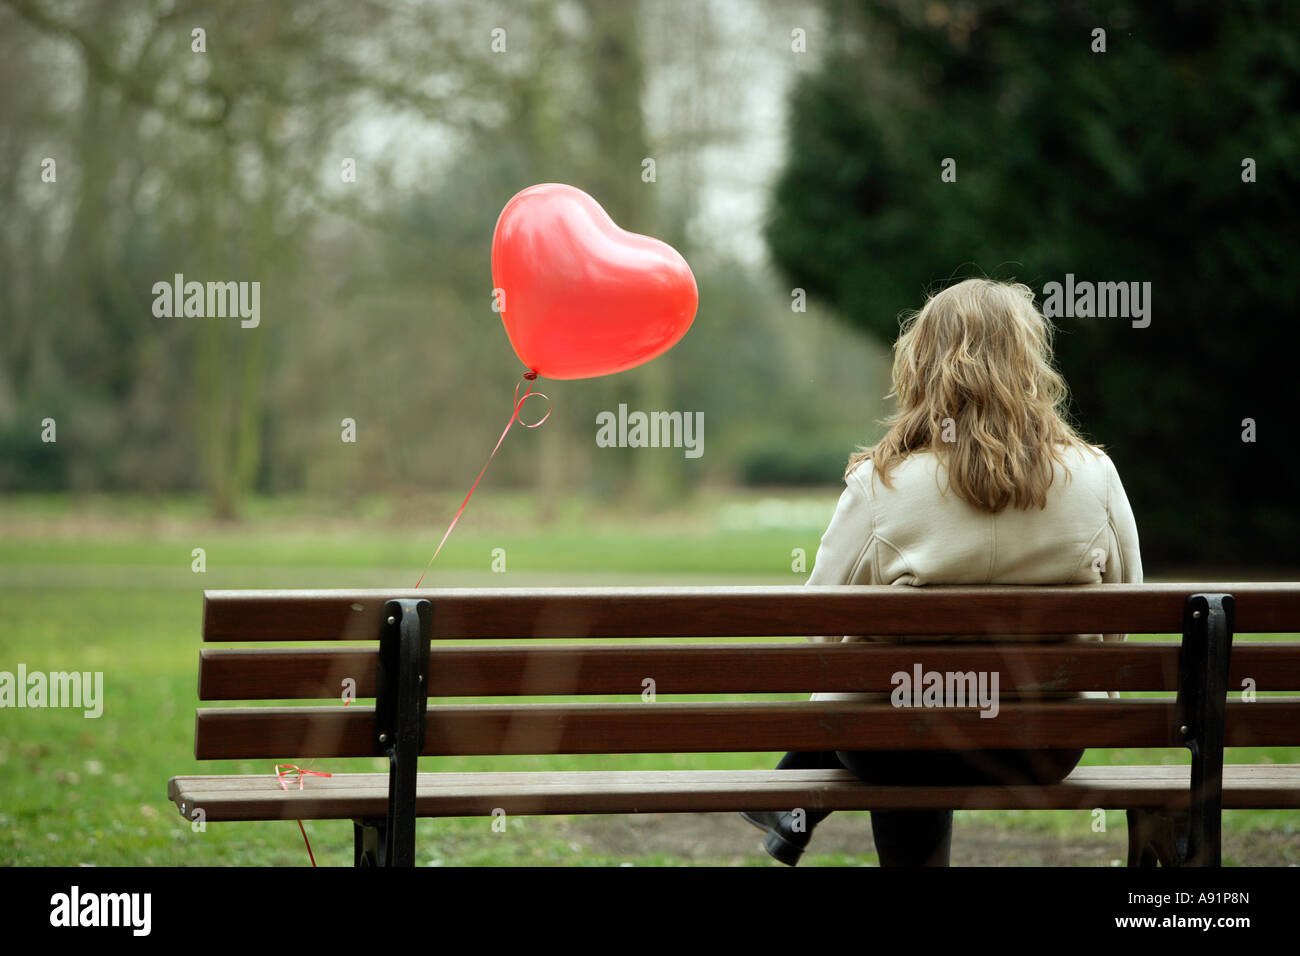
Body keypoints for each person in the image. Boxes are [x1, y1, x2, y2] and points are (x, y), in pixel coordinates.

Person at [741, 277, 1143, 866]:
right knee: (904, 706)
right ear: (1031, 365)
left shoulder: (880, 484)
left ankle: (805, 801)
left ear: (923, 367)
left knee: (896, 708)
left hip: (898, 746)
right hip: (1043, 746)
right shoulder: (1096, 477)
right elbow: (1120, 625)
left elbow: (819, 633)